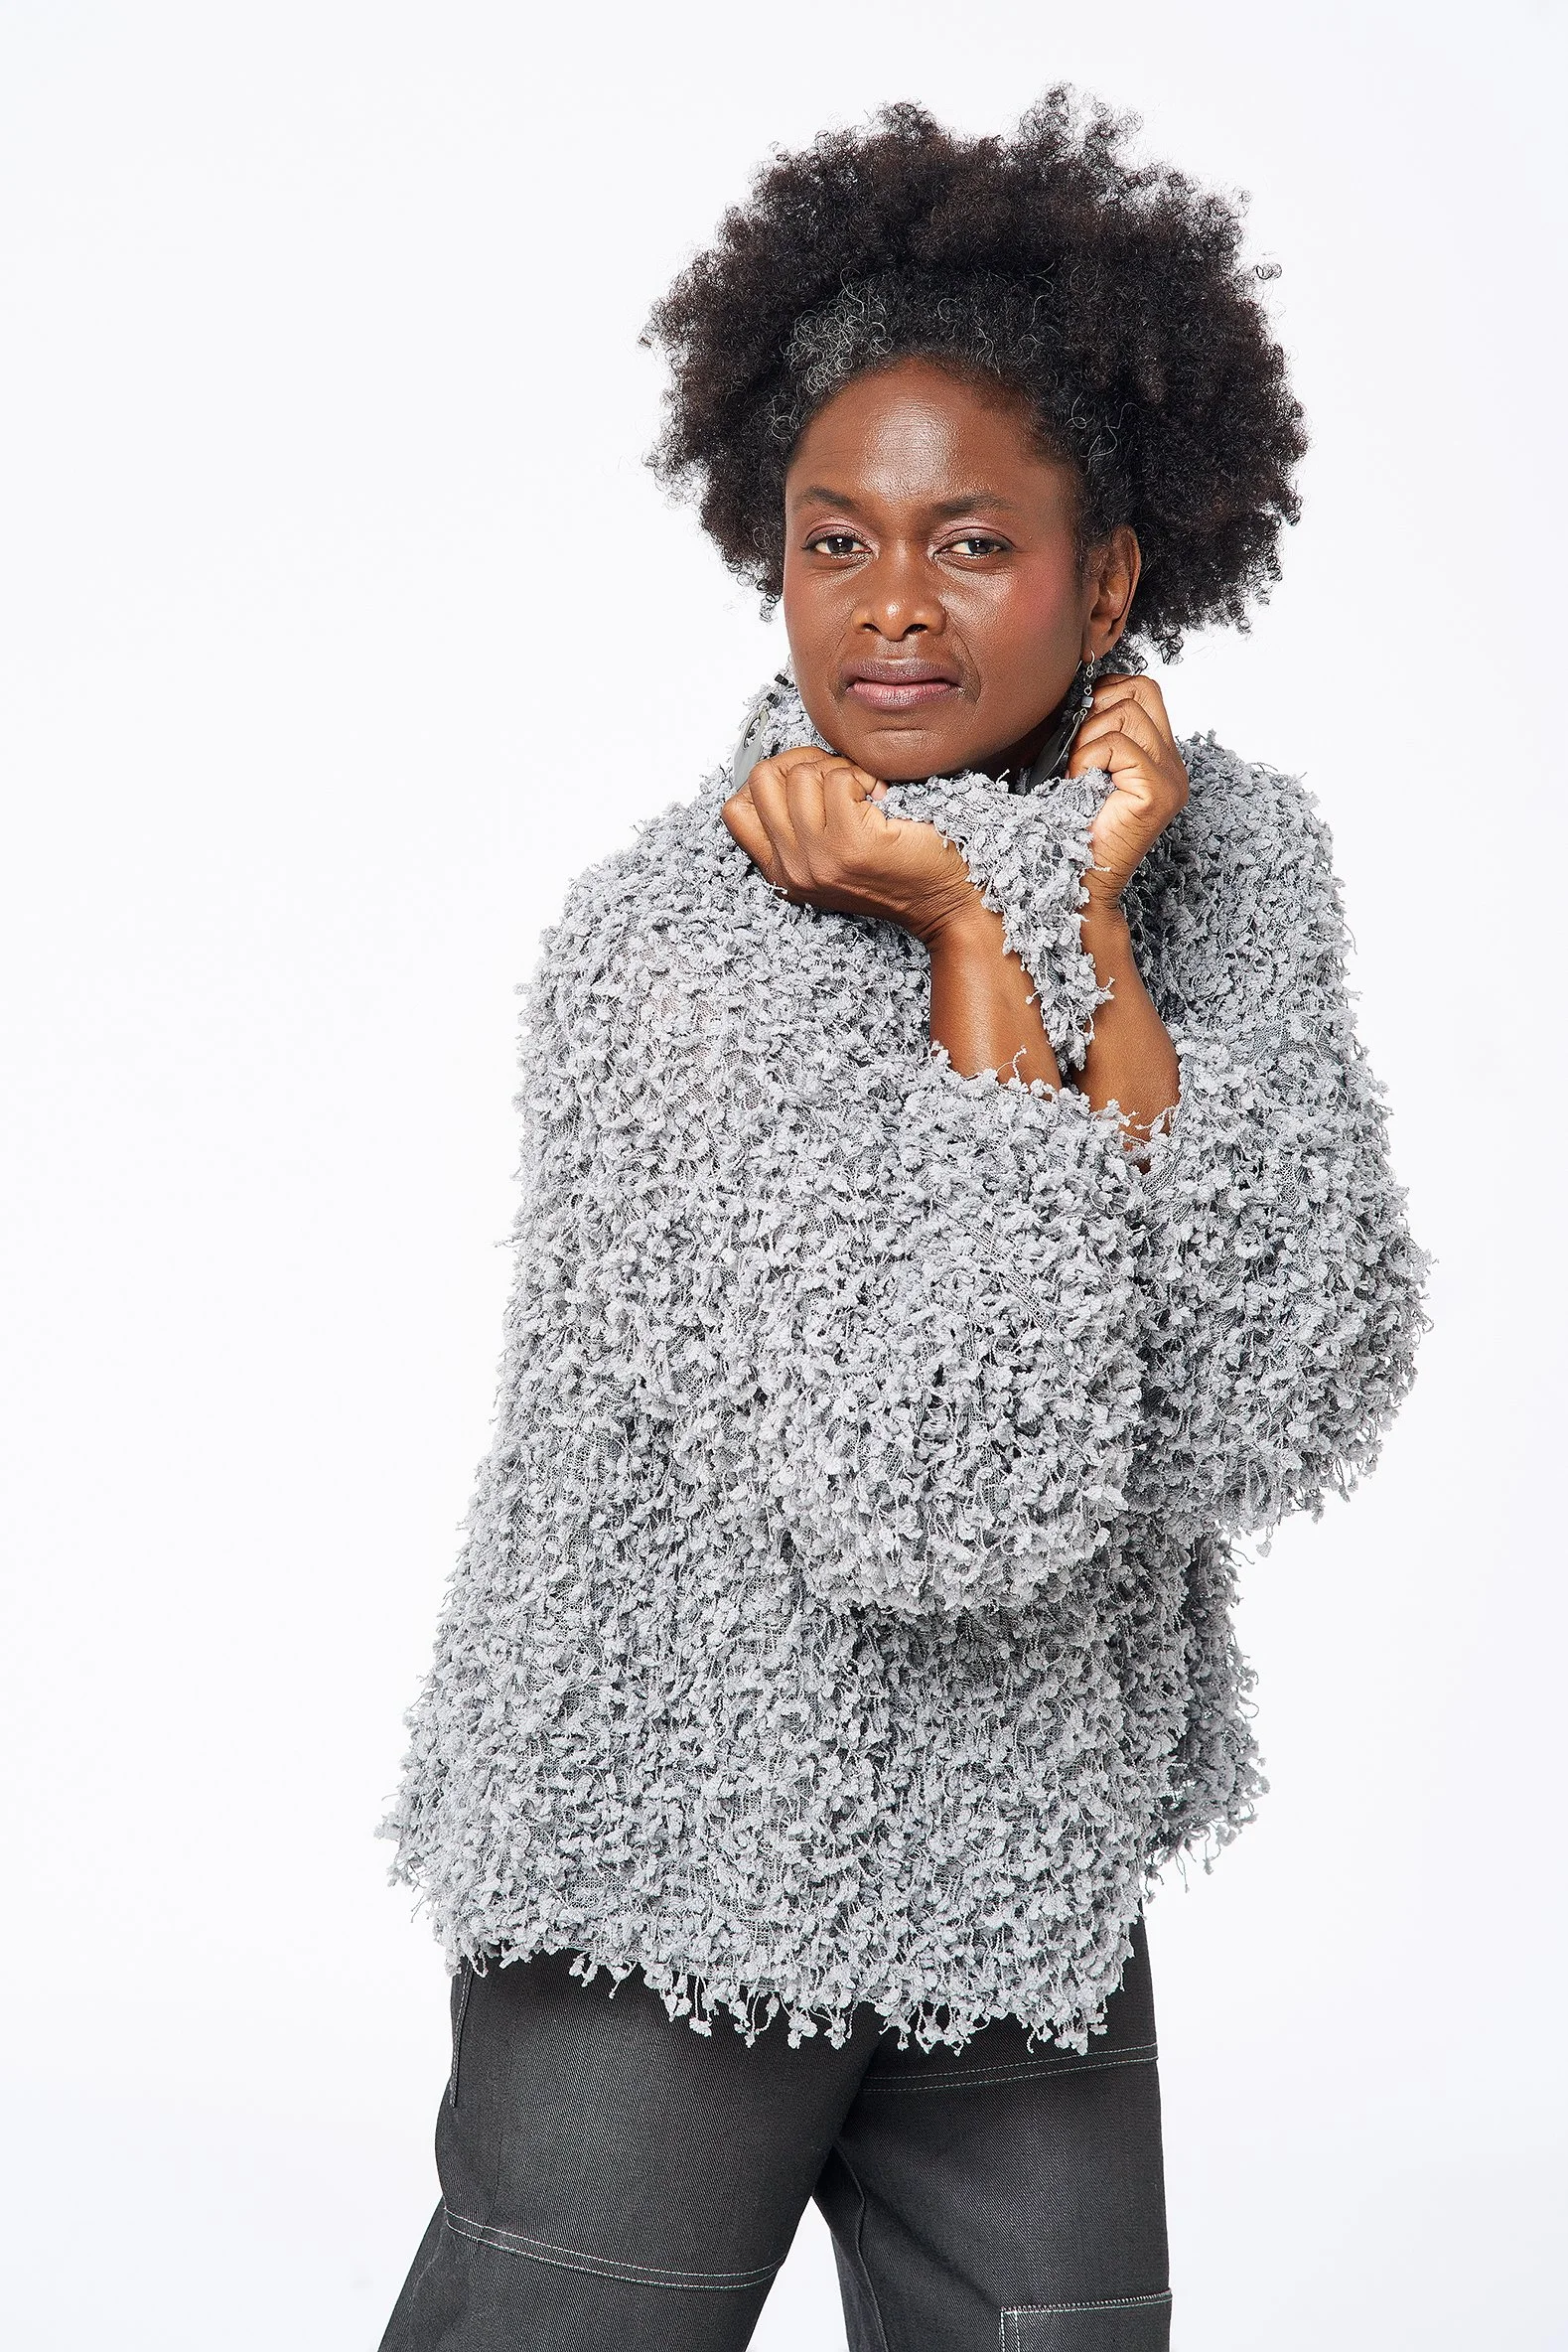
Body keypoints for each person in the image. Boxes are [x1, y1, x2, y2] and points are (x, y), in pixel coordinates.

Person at [375, 89, 1428, 2352]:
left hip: (1021, 1864)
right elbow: (942, 1483)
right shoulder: (668, 949)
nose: (891, 610)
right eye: (833, 540)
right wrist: (972, 935)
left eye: (968, 542)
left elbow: (1278, 1385)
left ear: (1109, 576)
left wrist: (1089, 925)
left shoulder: (1232, 872)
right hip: (674, 1856)